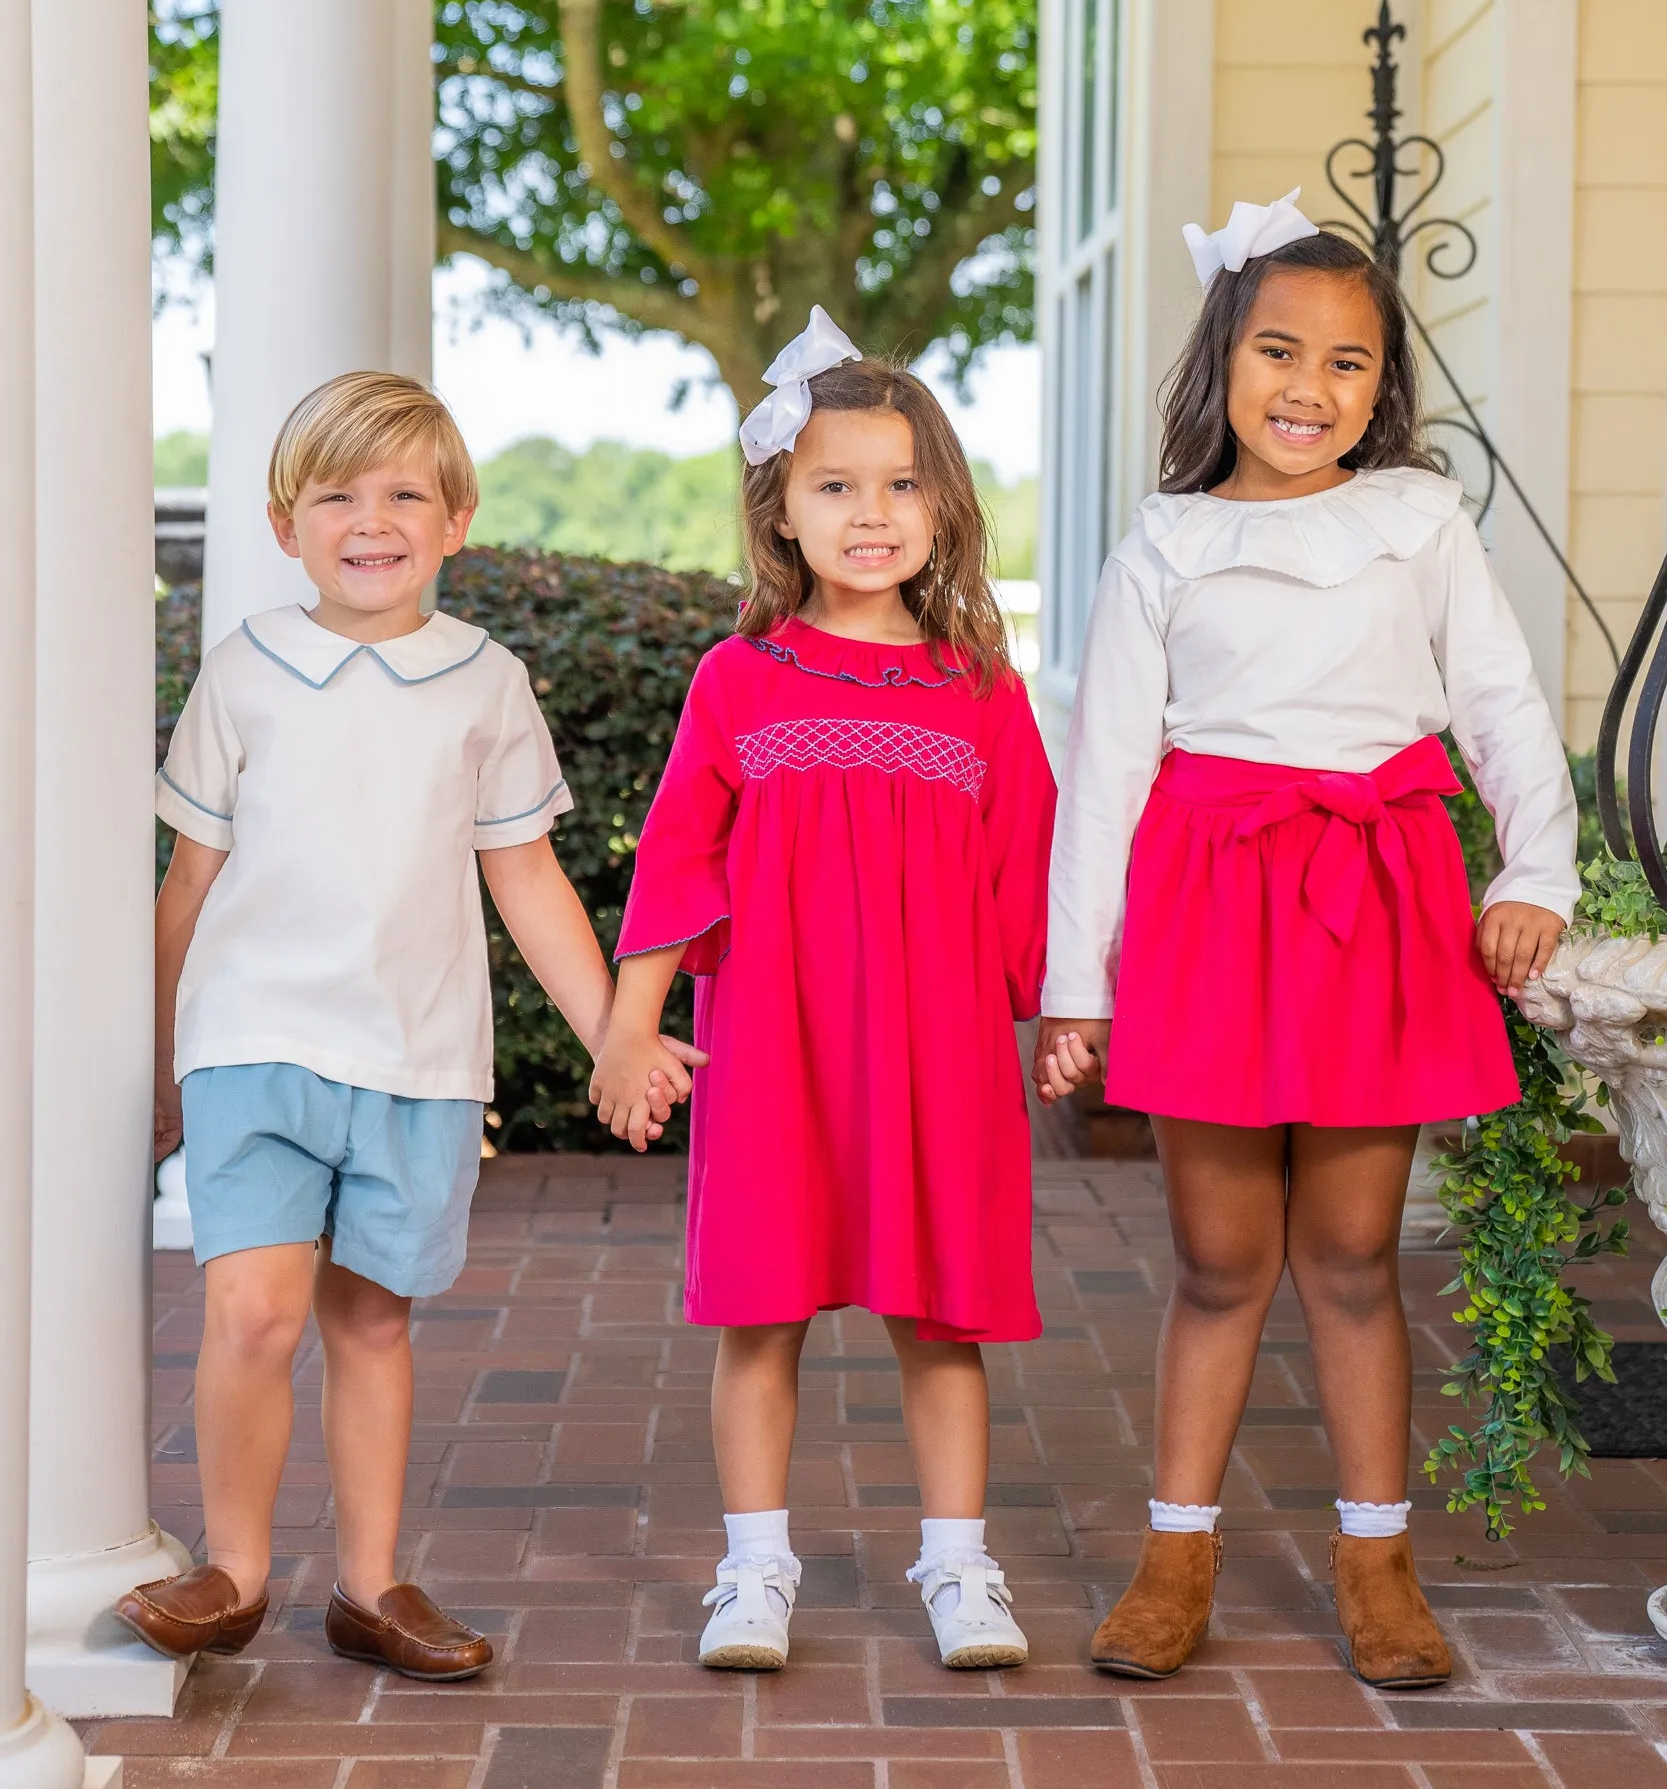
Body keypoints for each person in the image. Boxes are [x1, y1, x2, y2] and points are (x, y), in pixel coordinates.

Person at [1036, 196, 1579, 1689]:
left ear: (1382, 384)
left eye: (1347, 363)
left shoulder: (1417, 520)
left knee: (1349, 1258)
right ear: (1220, 361)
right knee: (1219, 1263)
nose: (1307, 387)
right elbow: (1104, 778)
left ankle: (1376, 1563)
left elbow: (1501, 703)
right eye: (1277, 350)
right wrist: (1074, 985)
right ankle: (1173, 1555)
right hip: (1211, 908)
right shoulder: (1168, 541)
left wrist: (1535, 869)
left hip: (1379, 901)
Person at [121, 372, 691, 1679]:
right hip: (250, 1043)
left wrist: (614, 1030)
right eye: (336, 497)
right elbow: (187, 885)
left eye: (401, 496)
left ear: (455, 520)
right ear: (284, 524)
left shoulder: (485, 685)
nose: (369, 522)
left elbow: (526, 876)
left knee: (372, 1320)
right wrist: (156, 1057)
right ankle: (237, 1571)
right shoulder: (242, 676)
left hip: (420, 1057)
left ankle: (371, 1588)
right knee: (253, 1314)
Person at [591, 311, 1056, 1672]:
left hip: (938, 1051)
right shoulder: (740, 681)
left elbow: (1023, 870)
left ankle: (959, 1566)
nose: (872, 513)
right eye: (835, 485)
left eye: (902, 483)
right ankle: (752, 1571)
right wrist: (630, 1026)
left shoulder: (979, 691)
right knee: (760, 1312)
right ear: (779, 512)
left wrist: (1060, 1016)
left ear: (944, 506)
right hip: (779, 1050)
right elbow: (676, 863)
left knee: (941, 1318)